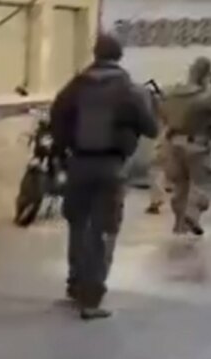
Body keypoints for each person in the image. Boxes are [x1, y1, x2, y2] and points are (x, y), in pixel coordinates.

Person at [50, 34, 157, 320]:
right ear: (119, 55)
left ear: (95, 53)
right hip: (111, 166)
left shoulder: (75, 86)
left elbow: (56, 118)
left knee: (77, 224)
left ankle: (75, 284)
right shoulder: (130, 90)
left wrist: (63, 151)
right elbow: (151, 128)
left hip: (77, 164)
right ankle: (91, 299)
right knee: (103, 229)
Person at [160, 56, 211, 235]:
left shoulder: (173, 93)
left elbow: (161, 110)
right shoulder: (204, 97)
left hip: (173, 143)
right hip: (197, 146)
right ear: (206, 74)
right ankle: (191, 216)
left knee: (180, 187)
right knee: (202, 185)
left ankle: (179, 226)